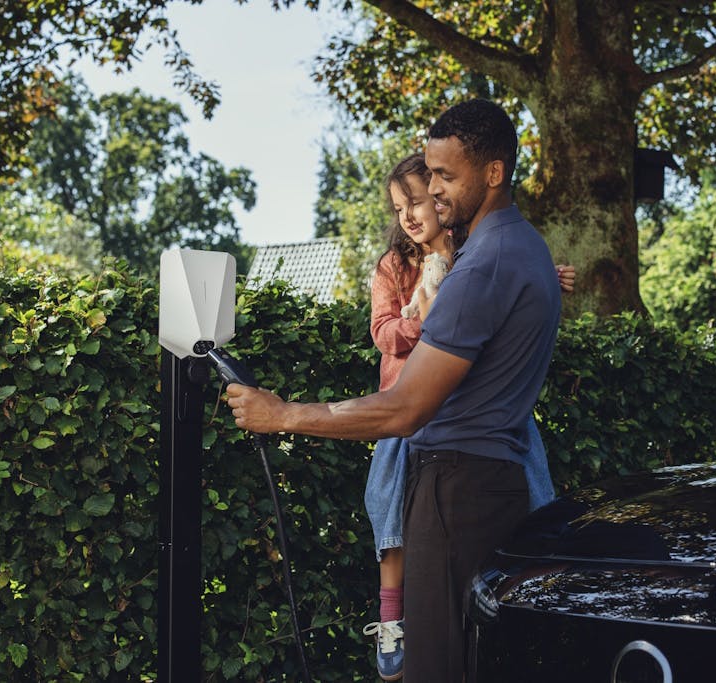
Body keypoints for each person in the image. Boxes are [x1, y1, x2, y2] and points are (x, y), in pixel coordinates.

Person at [225, 98, 563, 683]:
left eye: (447, 177)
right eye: (429, 173)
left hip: (458, 492)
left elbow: (406, 407)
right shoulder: (527, 248)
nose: (434, 192)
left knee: (435, 669)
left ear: (494, 173)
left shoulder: (482, 265)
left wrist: (282, 414)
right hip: (492, 486)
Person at [361, 152, 574, 681]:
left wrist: (542, 275)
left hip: (472, 411)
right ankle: (392, 620)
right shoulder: (395, 267)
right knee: (388, 515)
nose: (409, 214)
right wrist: (427, 326)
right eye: (399, 206)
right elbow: (385, 332)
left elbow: (496, 300)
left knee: (536, 490)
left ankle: (545, 578)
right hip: (408, 407)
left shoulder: (473, 255)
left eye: (418, 200)